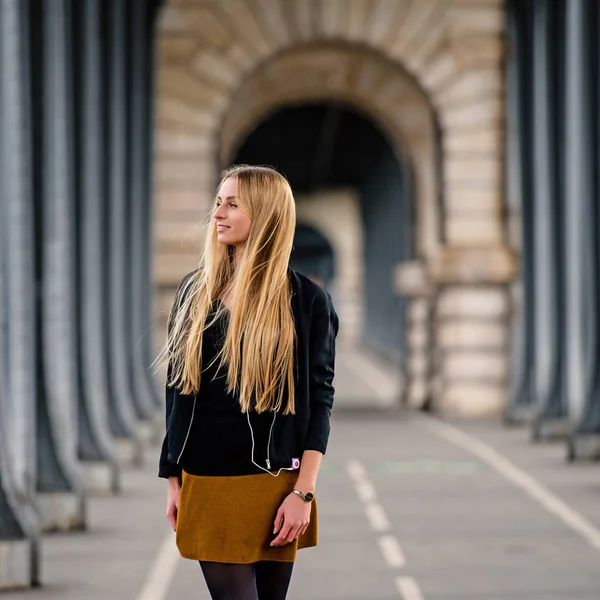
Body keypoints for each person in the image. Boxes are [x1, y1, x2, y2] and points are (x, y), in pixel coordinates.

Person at [156, 164, 339, 600]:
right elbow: (177, 391)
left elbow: (319, 399)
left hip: (276, 484)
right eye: (218, 202)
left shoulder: (306, 300)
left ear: (266, 215)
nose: (218, 213)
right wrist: (173, 479)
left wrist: (304, 494)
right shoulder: (192, 293)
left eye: (233, 204)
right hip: (208, 480)